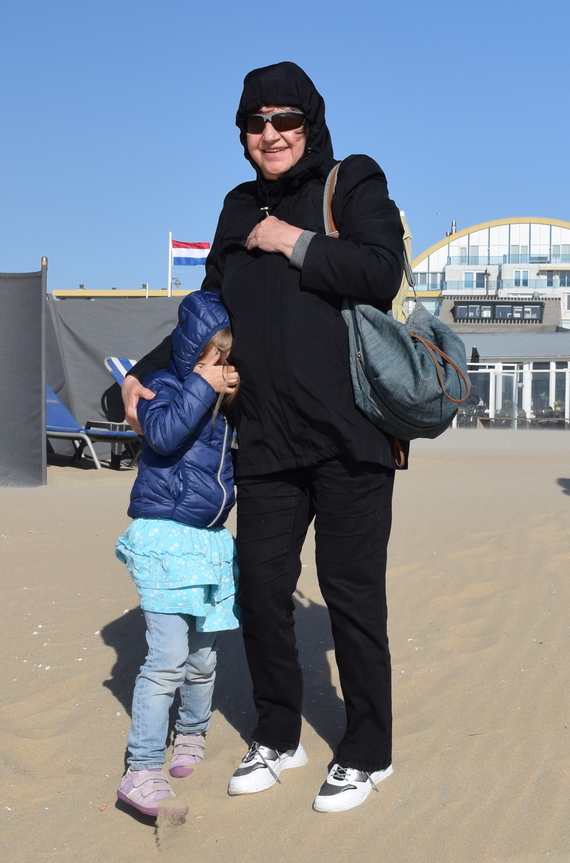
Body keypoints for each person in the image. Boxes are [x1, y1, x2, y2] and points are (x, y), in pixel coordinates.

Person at [121, 62, 406, 814]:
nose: (271, 134)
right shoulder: (237, 205)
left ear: (311, 124)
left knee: (350, 594)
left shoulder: (352, 180)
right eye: (257, 123)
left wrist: (292, 241)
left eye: (286, 121)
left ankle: (368, 750)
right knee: (260, 589)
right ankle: (279, 734)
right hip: (267, 441)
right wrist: (141, 376)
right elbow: (208, 313)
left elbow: (381, 271)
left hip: (351, 437)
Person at [114, 290, 241, 820]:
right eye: (215, 354)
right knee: (167, 658)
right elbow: (164, 435)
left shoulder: (219, 400)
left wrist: (222, 391)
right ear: (192, 350)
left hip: (209, 544)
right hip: (165, 540)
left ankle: (191, 732)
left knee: (203, 659)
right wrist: (200, 383)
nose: (222, 365)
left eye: (228, 356)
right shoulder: (163, 386)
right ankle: (141, 769)